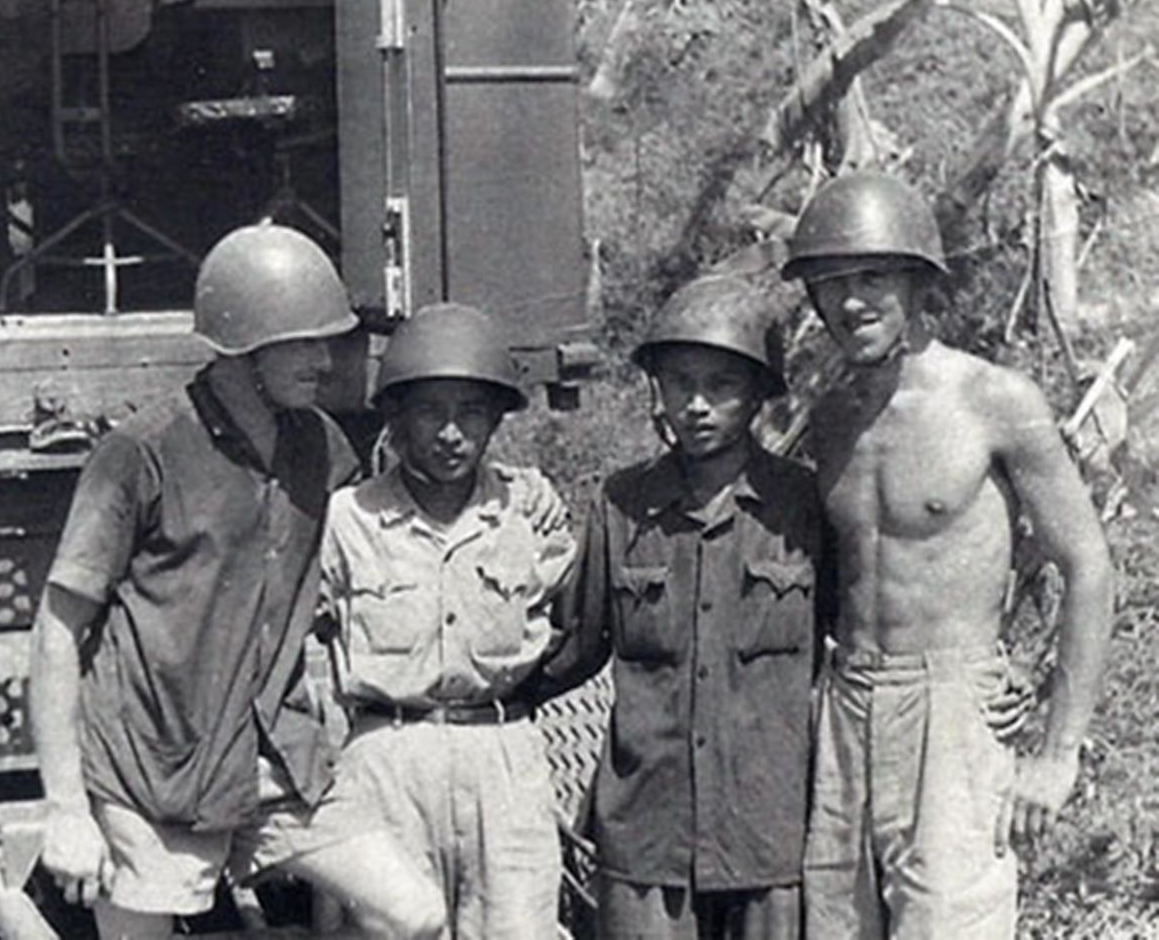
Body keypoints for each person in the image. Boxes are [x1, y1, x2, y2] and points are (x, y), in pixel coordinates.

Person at [29, 222, 446, 940]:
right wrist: (67, 809)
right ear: (243, 347)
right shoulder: (141, 454)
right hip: (151, 769)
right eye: (305, 341)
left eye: (328, 340)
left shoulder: (320, 446)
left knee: (414, 916)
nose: (325, 360)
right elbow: (57, 632)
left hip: (276, 759)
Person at [783, 170, 1115, 940]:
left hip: (954, 713)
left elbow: (1089, 566)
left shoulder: (994, 400)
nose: (851, 301)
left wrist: (1058, 750)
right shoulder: (829, 418)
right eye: (830, 284)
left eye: (871, 277)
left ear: (916, 281)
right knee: (833, 927)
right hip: (845, 705)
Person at [533, 271, 828, 940]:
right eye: (679, 383)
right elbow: (569, 649)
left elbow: (856, 636)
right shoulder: (621, 506)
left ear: (757, 394)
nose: (696, 405)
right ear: (656, 390)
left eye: (720, 386)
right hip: (646, 836)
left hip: (766, 833)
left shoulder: (803, 507)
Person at [316, 302, 576, 940]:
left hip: (503, 756)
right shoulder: (347, 520)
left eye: (471, 413)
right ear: (397, 418)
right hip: (386, 757)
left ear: (494, 421)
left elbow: (571, 622)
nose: (451, 433)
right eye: (431, 411)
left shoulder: (529, 512)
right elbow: (308, 653)